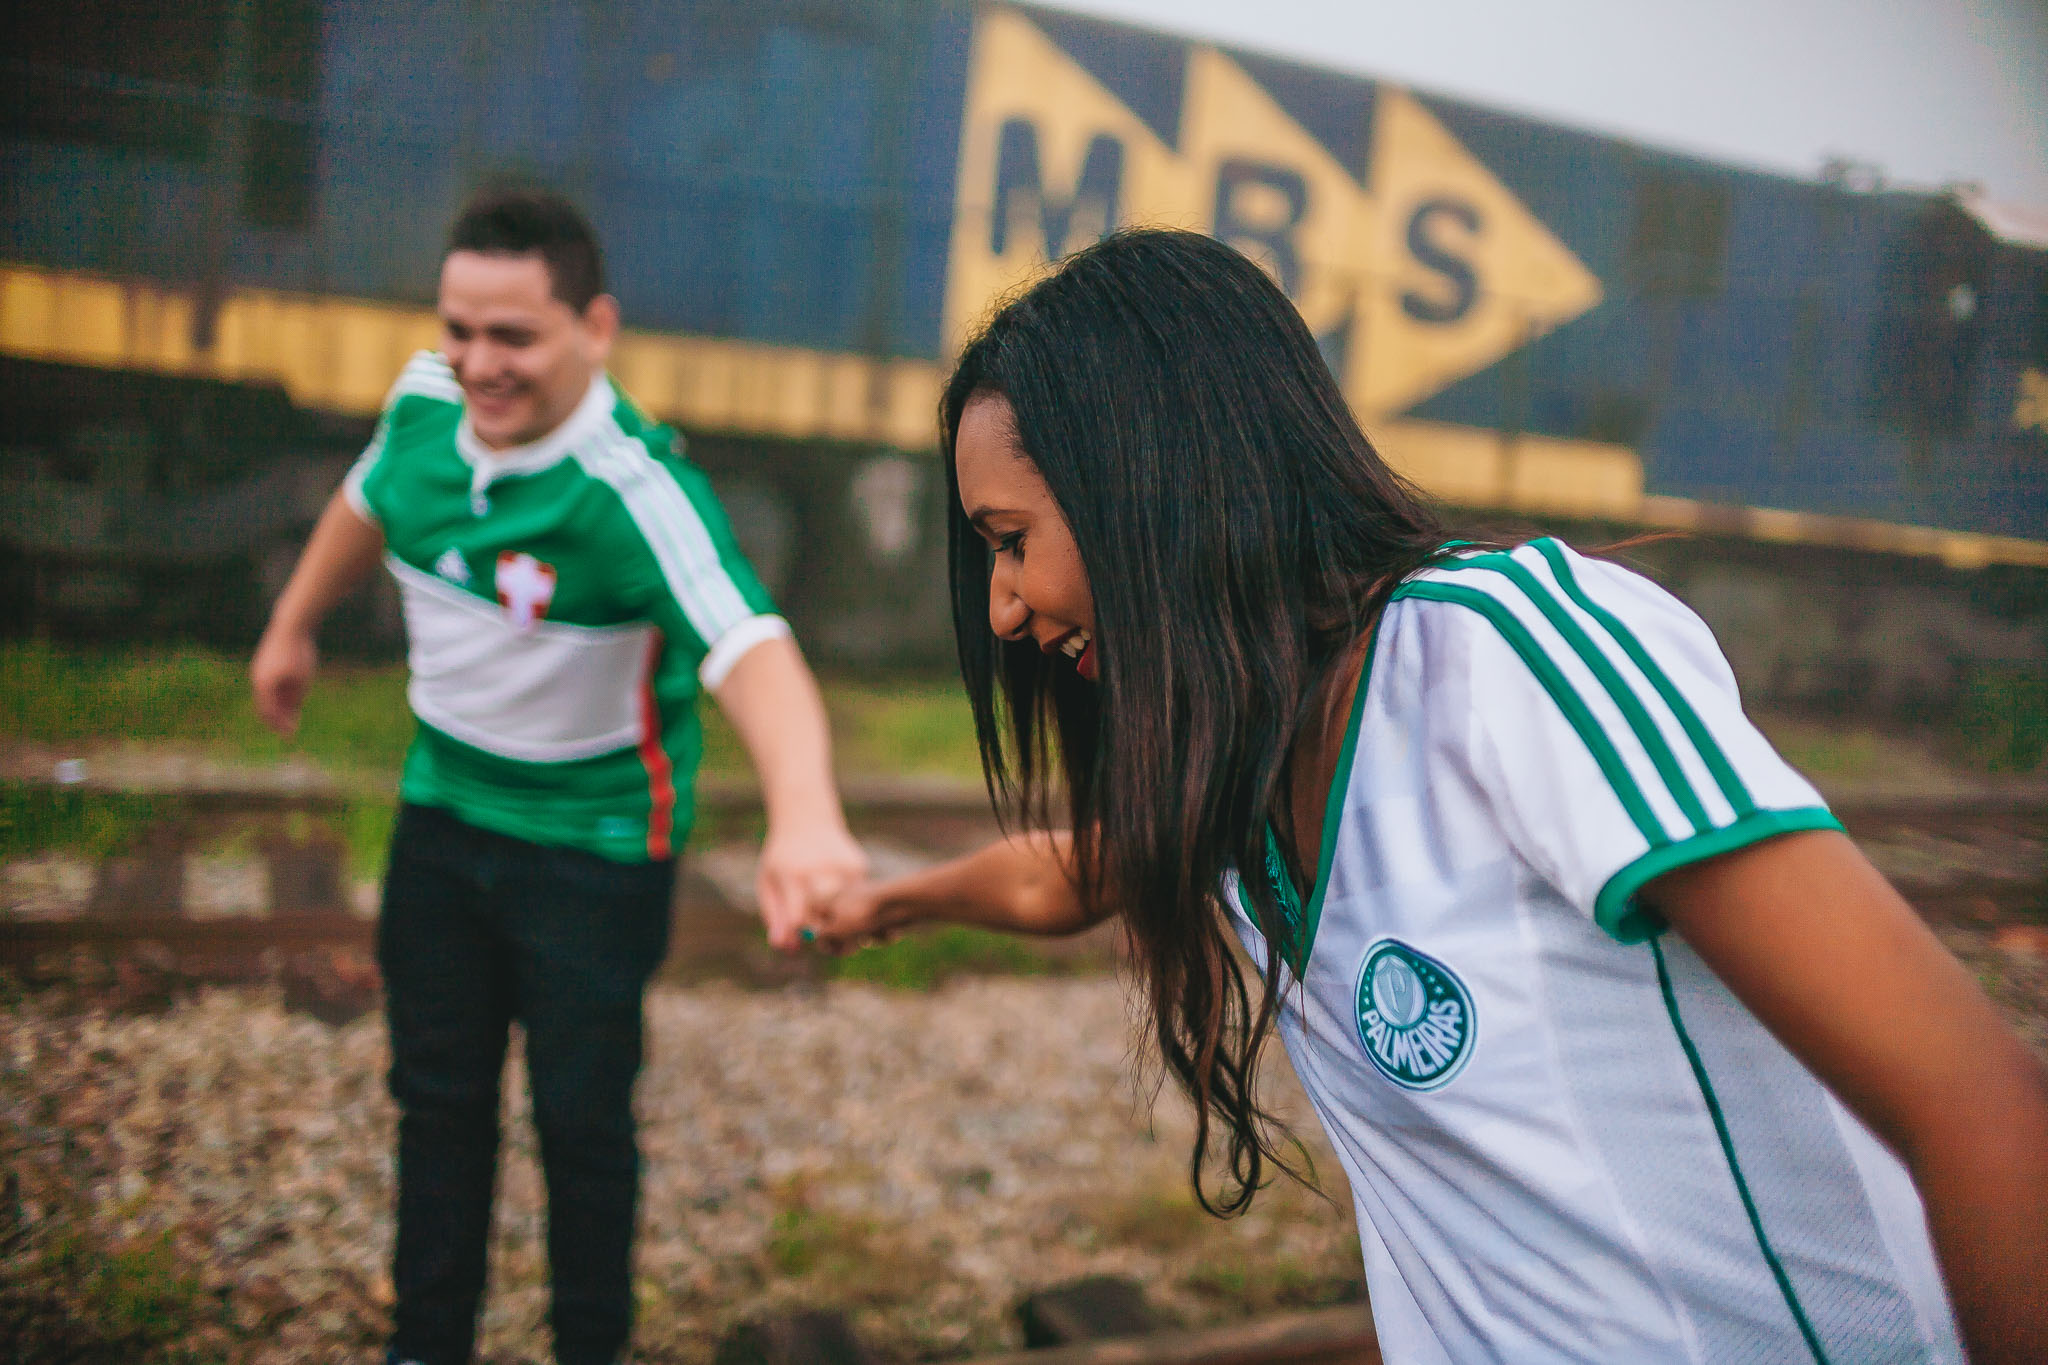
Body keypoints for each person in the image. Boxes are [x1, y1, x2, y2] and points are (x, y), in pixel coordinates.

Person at [811, 229, 2048, 1363]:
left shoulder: (1504, 663)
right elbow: (1076, 867)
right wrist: (895, 898)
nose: (1001, 608)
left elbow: (1978, 1105)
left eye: (1009, 539)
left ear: (1153, 492)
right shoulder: (1243, 755)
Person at [251, 187, 867, 1365]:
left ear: (597, 327)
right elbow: (362, 501)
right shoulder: (423, 402)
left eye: (515, 336)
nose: (480, 364)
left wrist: (804, 813)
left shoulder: (632, 490)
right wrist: (291, 627)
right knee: (437, 1109)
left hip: (590, 859)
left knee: (579, 1126)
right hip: (439, 825)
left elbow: (749, 643)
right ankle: (427, 1345)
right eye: (460, 329)